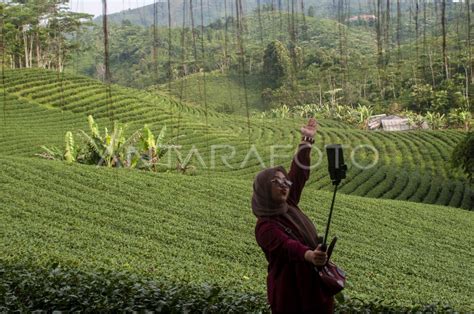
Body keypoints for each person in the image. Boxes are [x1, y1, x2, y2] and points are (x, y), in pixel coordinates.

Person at [252, 118, 334, 314]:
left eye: (284, 182)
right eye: (276, 182)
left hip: (315, 289)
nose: (284, 186)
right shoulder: (265, 227)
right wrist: (309, 255)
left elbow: (298, 175)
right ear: (265, 189)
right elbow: (287, 246)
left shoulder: (288, 203)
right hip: (292, 297)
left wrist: (307, 140)